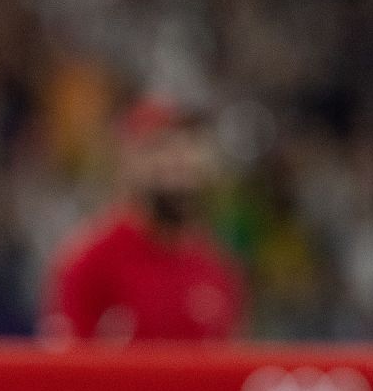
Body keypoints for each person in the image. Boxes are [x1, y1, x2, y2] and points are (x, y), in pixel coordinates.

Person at [42, 96, 247, 344]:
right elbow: (63, 374)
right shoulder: (88, 263)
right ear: (129, 159)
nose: (178, 160)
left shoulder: (216, 271)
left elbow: (227, 373)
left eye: (189, 145)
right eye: (160, 146)